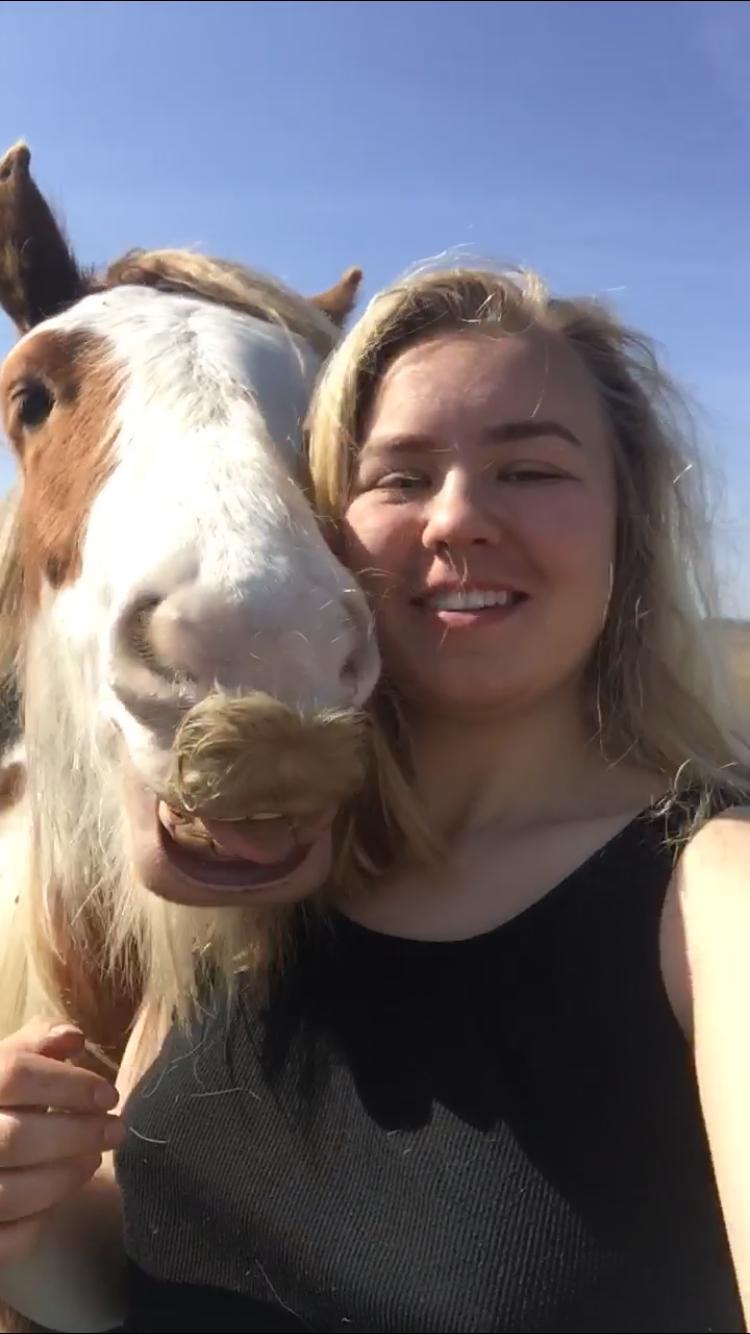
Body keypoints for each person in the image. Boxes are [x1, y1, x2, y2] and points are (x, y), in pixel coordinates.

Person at [0, 263, 748, 1333]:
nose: (456, 519)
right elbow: (153, 1259)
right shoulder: (251, 901)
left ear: (630, 528)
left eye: (529, 469)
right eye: (397, 477)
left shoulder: (716, 900)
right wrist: (26, 1220)